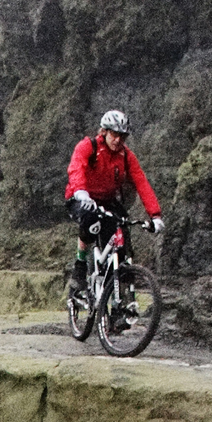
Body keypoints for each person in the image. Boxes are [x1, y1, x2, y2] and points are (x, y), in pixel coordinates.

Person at [67, 109, 161, 316]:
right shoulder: (88, 147)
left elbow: (141, 182)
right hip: (81, 196)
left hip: (107, 200)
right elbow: (76, 168)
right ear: (104, 132)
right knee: (91, 222)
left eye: (122, 136)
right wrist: (82, 193)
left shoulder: (126, 156)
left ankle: (120, 303)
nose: (118, 140)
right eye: (114, 135)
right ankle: (80, 265)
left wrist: (155, 215)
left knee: (122, 241)